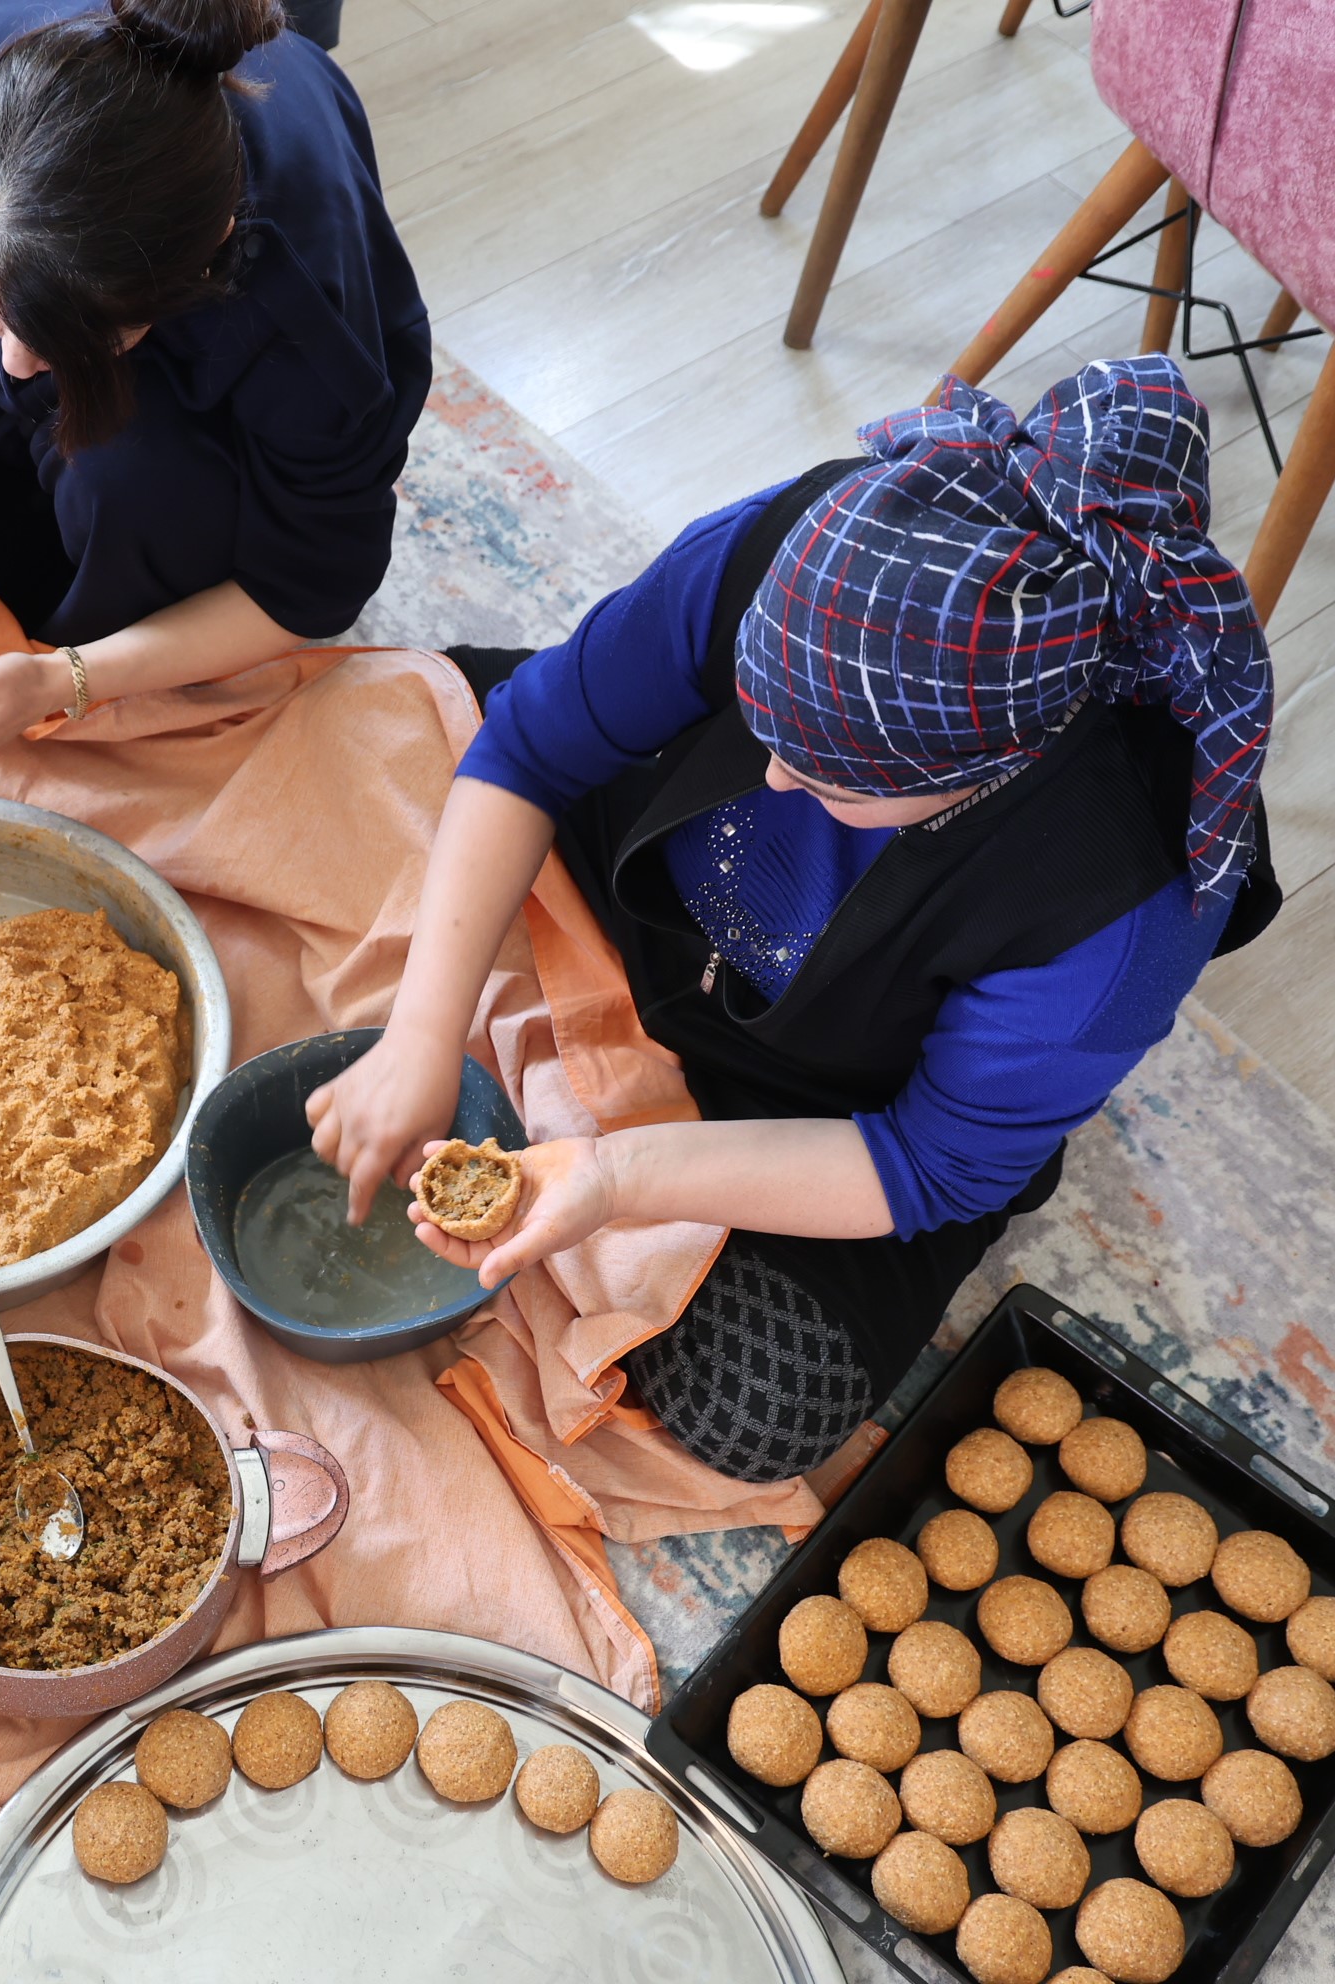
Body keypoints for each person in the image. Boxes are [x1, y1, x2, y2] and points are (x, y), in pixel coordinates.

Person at [309, 358, 1283, 1483]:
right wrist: (424, 1037)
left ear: (984, 773)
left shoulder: (1119, 908)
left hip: (825, 1092)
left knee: (762, 1402)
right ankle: (565, 1041)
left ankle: (613, 1090)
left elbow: (923, 1164)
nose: (766, 779)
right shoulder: (800, 537)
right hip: (628, 877)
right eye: (760, 723)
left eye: (829, 782)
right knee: (362, 735)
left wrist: (618, 1177)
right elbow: (531, 747)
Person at [0, 0, 431, 827]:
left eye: (67, 343)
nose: (15, 366)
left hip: (209, 400)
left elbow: (307, 580)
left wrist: (70, 677)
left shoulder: (301, 314)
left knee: (137, 482)